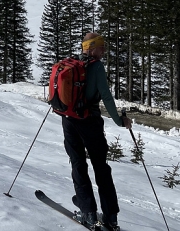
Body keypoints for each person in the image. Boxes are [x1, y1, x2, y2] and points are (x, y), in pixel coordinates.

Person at [62, 32, 131, 231]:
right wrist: (119, 120)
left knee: (78, 164)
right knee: (101, 167)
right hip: (90, 121)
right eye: (102, 47)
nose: (105, 51)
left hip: (68, 120)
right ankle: (110, 217)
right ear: (91, 48)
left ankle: (88, 213)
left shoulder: (72, 63)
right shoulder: (96, 66)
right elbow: (106, 97)